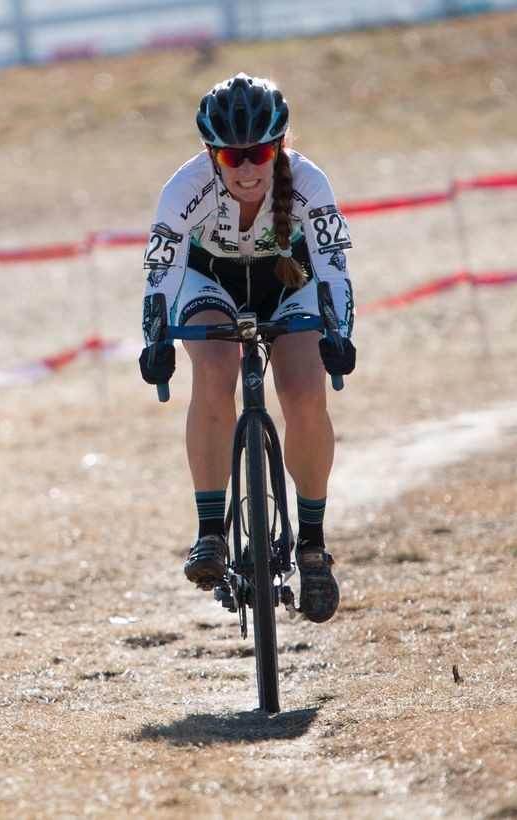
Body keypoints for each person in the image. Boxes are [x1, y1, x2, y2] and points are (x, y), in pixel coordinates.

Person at [138, 73, 356, 624]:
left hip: (291, 282)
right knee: (213, 374)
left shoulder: (309, 182)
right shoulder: (183, 190)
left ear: (278, 146)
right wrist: (155, 338)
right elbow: (161, 271)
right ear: (212, 155)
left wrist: (339, 332)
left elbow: (332, 267)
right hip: (209, 282)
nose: (248, 168)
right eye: (233, 158)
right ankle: (210, 532)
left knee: (304, 394)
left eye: (258, 152)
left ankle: (312, 548)